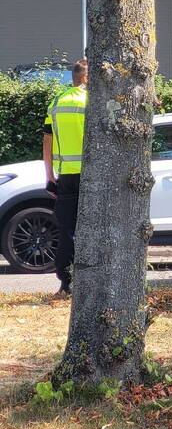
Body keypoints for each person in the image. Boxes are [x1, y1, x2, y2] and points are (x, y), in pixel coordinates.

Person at [43, 58, 88, 295]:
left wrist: (49, 175)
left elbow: (47, 140)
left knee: (67, 230)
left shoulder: (57, 101)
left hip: (66, 177)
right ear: (86, 78)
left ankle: (66, 282)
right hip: (92, 177)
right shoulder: (92, 102)